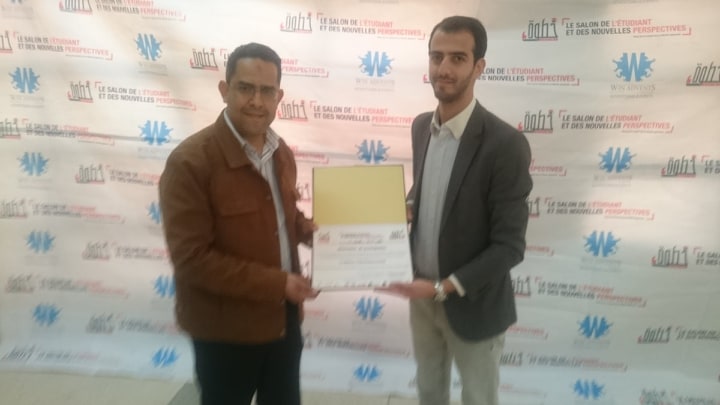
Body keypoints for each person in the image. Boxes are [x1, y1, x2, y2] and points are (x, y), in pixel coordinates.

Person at [381, 16, 533, 405]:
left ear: (479, 66)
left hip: (474, 303)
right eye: (436, 57)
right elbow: (427, 186)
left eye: (457, 58)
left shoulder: (505, 144)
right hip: (421, 295)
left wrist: (442, 288)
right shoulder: (421, 127)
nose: (444, 68)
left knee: (479, 397)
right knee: (429, 391)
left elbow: (510, 247)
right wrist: (408, 206)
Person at [158, 42, 318, 405]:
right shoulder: (190, 163)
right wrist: (280, 283)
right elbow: (192, 260)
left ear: (279, 96)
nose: (257, 101)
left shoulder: (280, 152)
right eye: (246, 88)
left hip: (283, 320)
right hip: (224, 333)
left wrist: (310, 232)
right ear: (224, 89)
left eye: (267, 91)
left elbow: (283, 216)